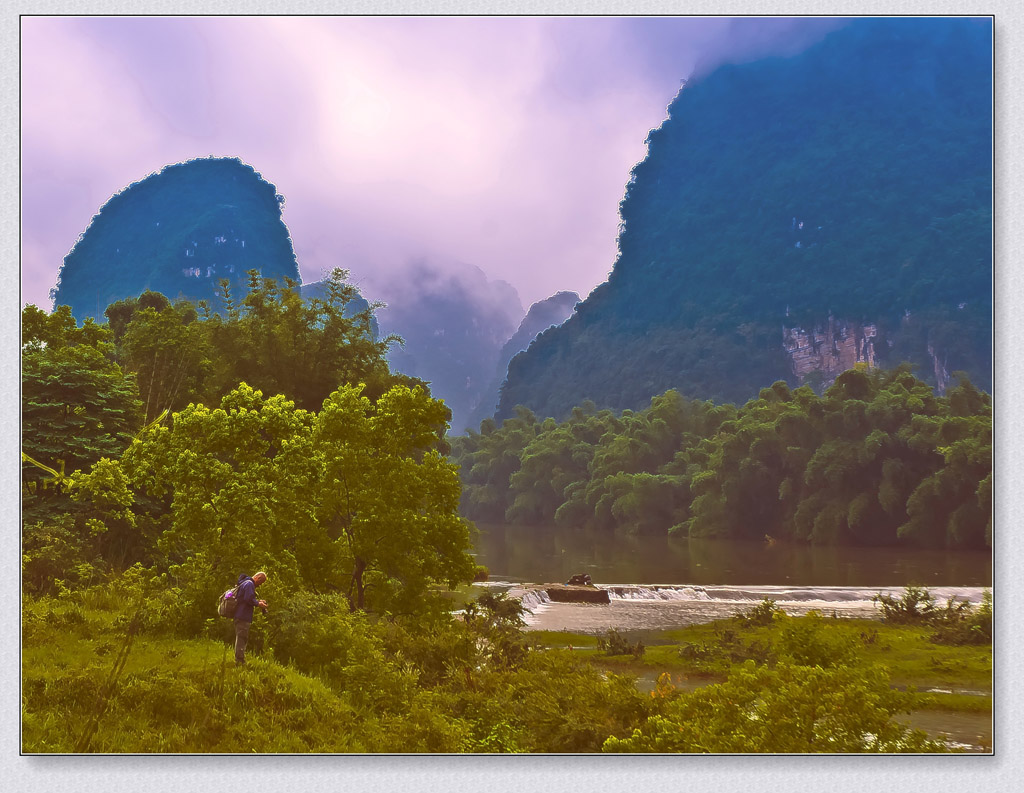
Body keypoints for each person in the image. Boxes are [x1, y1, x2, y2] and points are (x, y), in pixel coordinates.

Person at [233, 570, 268, 665]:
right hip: (243, 615)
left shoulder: (246, 583)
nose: (260, 585)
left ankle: (240, 659)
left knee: (242, 637)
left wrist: (257, 601)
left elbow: (248, 598)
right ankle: (239, 661)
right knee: (242, 638)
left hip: (241, 615)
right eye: (261, 582)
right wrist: (258, 604)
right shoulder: (249, 584)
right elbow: (248, 599)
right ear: (258, 578)